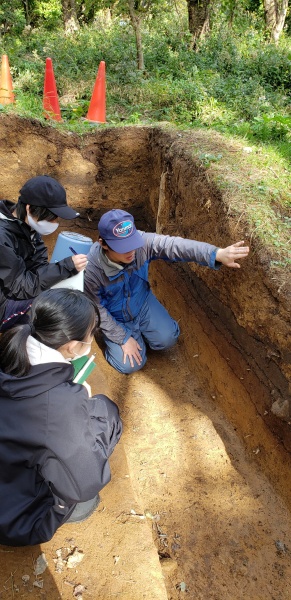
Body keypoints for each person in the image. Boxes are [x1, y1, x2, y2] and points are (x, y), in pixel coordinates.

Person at [0, 288, 122, 546]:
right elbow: (86, 482)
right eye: (91, 334)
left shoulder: (11, 346)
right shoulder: (59, 405)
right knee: (106, 412)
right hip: (15, 521)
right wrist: (84, 407)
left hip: (8, 478)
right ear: (72, 345)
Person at [84, 209, 250, 374]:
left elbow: (175, 245)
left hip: (141, 302)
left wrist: (216, 254)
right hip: (116, 316)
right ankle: (120, 341)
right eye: (123, 247)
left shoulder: (142, 244)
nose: (131, 251)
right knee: (130, 365)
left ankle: (142, 334)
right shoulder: (91, 269)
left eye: (132, 243)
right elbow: (97, 308)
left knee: (168, 338)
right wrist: (123, 338)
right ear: (103, 244)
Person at [0, 175, 88, 331]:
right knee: (50, 308)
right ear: (29, 209)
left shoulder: (29, 227)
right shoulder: (2, 237)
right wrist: (65, 267)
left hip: (16, 289)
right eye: (51, 218)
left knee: (56, 296)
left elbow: (39, 266)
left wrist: (61, 272)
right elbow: (19, 286)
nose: (55, 223)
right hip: (4, 302)